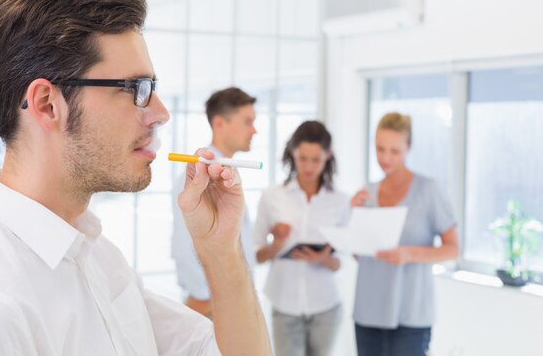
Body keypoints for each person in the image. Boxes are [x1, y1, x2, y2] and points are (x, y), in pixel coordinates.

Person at [0, 0, 271, 356]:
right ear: (47, 105)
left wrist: (221, 251)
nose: (160, 113)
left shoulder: (98, 256)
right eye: (135, 88)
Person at [351, 112, 459, 356]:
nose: (385, 158)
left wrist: (408, 254)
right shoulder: (366, 193)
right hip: (368, 312)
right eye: (380, 149)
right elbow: (360, 255)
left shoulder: (428, 190)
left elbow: (453, 248)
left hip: (411, 315)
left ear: (408, 148)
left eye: (394, 151)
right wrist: (352, 219)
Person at [254, 121, 349, 356]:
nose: (308, 166)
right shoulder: (272, 196)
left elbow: (344, 260)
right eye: (302, 158)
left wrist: (323, 260)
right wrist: (277, 243)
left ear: (328, 157)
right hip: (284, 303)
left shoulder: (340, 200)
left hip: (326, 306)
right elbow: (256, 254)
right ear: (292, 154)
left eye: (316, 159)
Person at [171, 87, 257, 318]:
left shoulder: (225, 173)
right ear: (219, 123)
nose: (254, 130)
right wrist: (205, 296)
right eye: (248, 122)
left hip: (230, 299)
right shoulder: (198, 178)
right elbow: (184, 245)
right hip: (212, 305)